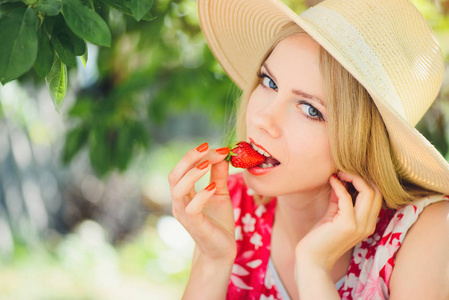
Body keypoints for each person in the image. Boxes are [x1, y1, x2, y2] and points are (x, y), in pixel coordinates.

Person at [168, 0, 449, 298]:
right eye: (269, 82)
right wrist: (213, 259)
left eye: (310, 109)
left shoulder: (428, 232)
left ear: (362, 143)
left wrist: (313, 268)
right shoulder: (231, 206)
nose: (263, 118)